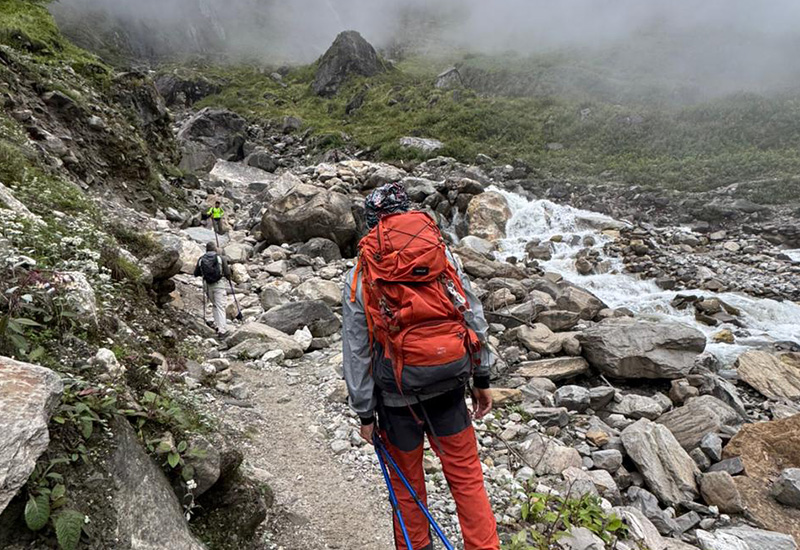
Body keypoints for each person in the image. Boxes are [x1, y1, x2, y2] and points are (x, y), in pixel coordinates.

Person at [342, 183, 500, 550]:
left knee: (407, 489)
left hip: (396, 399)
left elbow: (357, 350)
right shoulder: (442, 256)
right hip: (449, 383)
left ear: (372, 224)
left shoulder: (361, 273)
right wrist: (482, 376)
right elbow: (472, 316)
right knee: (467, 479)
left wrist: (364, 412)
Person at [194, 243, 231, 336]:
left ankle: (218, 326)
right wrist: (228, 278)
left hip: (208, 286)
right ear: (215, 249)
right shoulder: (221, 258)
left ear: (206, 249)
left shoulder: (201, 259)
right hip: (219, 285)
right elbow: (227, 273)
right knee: (220, 306)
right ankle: (222, 330)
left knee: (215, 305)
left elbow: (196, 273)